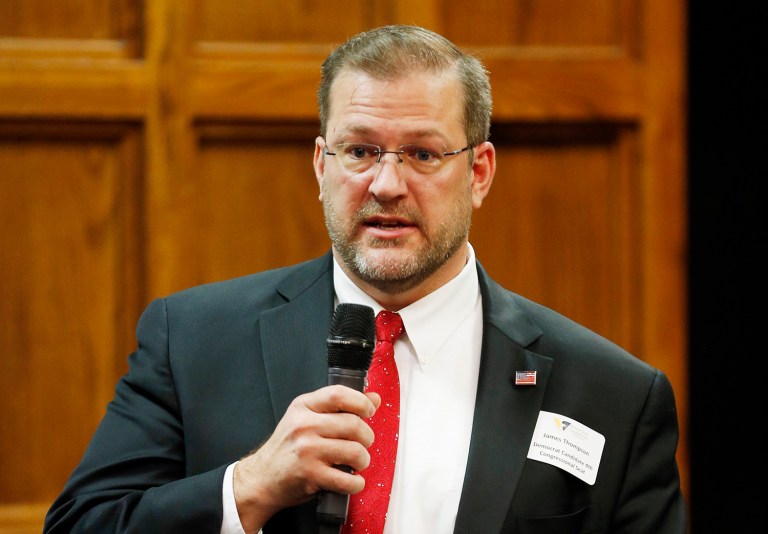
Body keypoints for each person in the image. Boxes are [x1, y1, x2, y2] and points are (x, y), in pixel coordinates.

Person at [44, 25, 687, 533]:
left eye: (423, 154)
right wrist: (248, 487)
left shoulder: (613, 397)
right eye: (359, 151)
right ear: (321, 164)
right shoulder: (191, 342)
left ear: (480, 171)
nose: (385, 184)